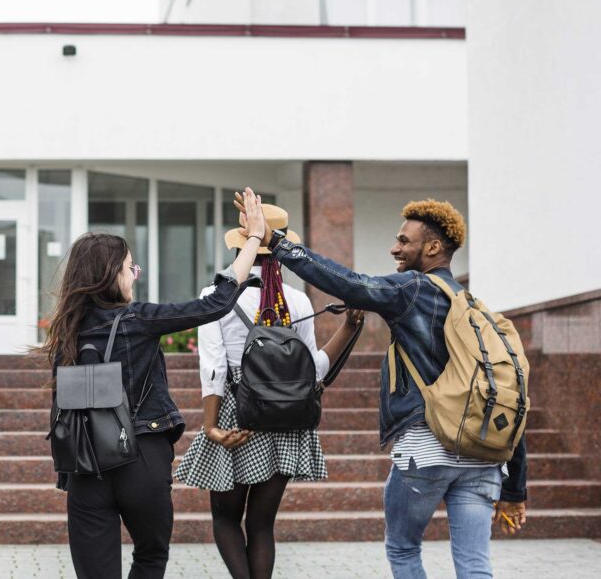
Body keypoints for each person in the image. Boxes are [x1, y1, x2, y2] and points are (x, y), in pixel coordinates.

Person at [237, 194, 527, 579]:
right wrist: (515, 489)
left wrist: (275, 242)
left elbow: (350, 284)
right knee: (475, 564)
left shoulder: (414, 289)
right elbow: (506, 394)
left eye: (404, 241)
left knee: (403, 548)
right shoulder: (476, 310)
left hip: (426, 449)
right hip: (484, 457)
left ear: (433, 248)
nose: (395, 248)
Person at [38, 187, 267, 579]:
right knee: (150, 555)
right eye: (131, 268)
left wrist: (67, 475)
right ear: (112, 274)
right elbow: (215, 303)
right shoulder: (138, 319)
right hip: (141, 455)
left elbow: (63, 409)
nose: (135, 276)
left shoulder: (65, 332)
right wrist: (255, 238)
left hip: (84, 465)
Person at [175, 206, 364, 579]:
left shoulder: (216, 295)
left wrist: (211, 426)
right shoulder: (298, 300)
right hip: (285, 420)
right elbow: (312, 373)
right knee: (262, 525)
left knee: (226, 519)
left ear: (240, 246)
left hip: (237, 415)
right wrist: (347, 329)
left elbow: (213, 368)